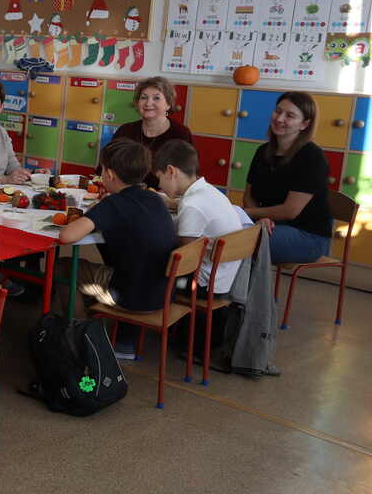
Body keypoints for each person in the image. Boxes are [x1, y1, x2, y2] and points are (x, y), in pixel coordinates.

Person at [58, 139, 177, 356]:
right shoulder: (154, 198)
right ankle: (111, 332)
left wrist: (98, 210)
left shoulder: (113, 204)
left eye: (102, 170)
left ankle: (81, 336)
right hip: (164, 292)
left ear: (110, 175)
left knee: (64, 268)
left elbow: (67, 236)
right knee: (110, 262)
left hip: (130, 297)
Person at [243, 91, 332, 264]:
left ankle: (249, 285)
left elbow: (290, 210)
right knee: (224, 233)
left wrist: (249, 213)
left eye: (290, 115)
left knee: (242, 244)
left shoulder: (312, 156)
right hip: (269, 225)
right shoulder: (262, 151)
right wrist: (261, 218)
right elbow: (249, 196)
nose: (279, 118)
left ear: (304, 124)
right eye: (278, 111)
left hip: (308, 236)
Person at [154, 140, 244, 295]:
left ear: (170, 171)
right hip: (222, 278)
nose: (159, 185)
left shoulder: (191, 205)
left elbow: (184, 259)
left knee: (147, 270)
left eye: (159, 178)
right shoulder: (209, 190)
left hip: (200, 284)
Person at [108, 76, 193, 190]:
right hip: (123, 193)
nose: (148, 103)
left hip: (163, 197)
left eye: (156, 98)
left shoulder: (181, 134)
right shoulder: (125, 130)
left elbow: (187, 180)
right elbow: (106, 166)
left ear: (168, 104)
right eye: (143, 97)